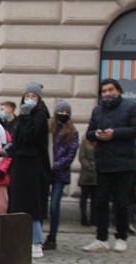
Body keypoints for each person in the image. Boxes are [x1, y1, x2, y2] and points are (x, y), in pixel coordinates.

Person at [83, 78, 136, 253]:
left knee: (121, 203)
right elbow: (89, 133)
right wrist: (96, 134)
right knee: (100, 202)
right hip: (103, 163)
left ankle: (121, 236)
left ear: (118, 90)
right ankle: (101, 238)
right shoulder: (98, 110)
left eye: (110, 89)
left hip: (124, 164)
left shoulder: (131, 107)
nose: (107, 93)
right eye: (104, 91)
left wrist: (115, 133)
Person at [8, 81, 51, 259]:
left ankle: (36, 241)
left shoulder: (39, 115)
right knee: (18, 204)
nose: (30, 99)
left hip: (33, 165)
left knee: (32, 204)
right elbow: (18, 139)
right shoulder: (22, 116)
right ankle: (21, 240)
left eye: (34, 97)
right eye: (27, 96)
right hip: (20, 164)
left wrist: (26, 117)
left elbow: (30, 136)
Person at [44, 100, 79, 251]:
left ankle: (52, 237)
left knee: (54, 206)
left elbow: (71, 154)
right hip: (46, 171)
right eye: (61, 111)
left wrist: (55, 166)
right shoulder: (48, 127)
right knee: (41, 205)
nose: (63, 114)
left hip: (60, 173)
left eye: (66, 112)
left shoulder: (72, 132)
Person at [78, 138, 97, 226]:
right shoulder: (84, 143)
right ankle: (83, 217)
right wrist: (90, 167)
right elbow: (82, 157)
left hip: (97, 176)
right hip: (86, 175)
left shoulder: (100, 142)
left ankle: (94, 218)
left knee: (95, 198)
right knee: (84, 197)